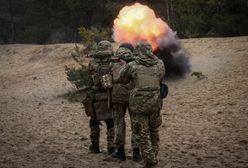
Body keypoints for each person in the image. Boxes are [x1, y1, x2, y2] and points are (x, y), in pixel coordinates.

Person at [118, 41, 165, 168]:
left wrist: (124, 65)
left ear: (138, 51)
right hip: (155, 103)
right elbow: (161, 77)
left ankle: (150, 161)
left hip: (139, 105)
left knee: (142, 134)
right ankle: (153, 155)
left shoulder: (132, 65)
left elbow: (122, 79)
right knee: (154, 131)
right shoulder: (160, 64)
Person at [110, 43, 142, 161]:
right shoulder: (135, 63)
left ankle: (120, 152)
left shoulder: (112, 62)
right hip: (133, 95)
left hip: (117, 97)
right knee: (136, 123)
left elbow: (106, 80)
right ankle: (136, 153)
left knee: (119, 123)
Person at [86, 40, 115, 154]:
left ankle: (95, 146)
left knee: (94, 122)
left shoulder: (92, 63)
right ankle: (111, 148)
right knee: (111, 123)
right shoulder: (113, 63)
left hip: (96, 97)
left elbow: (89, 79)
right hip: (109, 96)